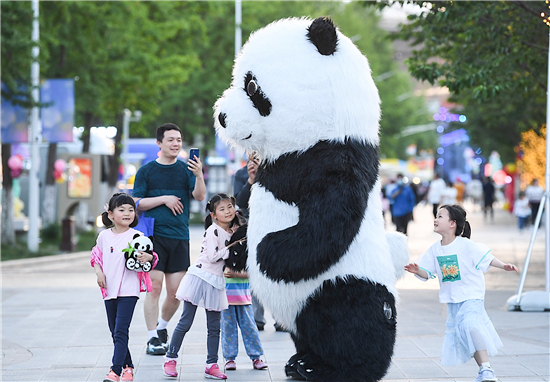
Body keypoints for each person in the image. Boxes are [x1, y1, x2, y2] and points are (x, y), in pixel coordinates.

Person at [404, 204, 518, 382]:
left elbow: (486, 257)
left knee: (470, 326)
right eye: (436, 216)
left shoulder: (466, 245)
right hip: (453, 300)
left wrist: (504, 265)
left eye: (440, 216)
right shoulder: (435, 249)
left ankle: (487, 368)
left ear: (452, 223)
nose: (435, 219)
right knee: (466, 333)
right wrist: (417, 270)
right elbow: (428, 272)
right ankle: (485, 370)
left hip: (472, 296)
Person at [132, 123, 206, 356]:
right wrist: (164, 198)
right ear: (159, 143)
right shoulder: (146, 171)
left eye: (179, 140)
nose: (175, 144)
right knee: (154, 288)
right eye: (171, 139)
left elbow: (199, 196)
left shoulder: (186, 170)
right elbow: (136, 203)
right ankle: (152, 337)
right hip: (152, 236)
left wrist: (199, 175)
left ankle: (162, 327)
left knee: (176, 293)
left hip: (179, 236)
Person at [162, 193, 243, 380]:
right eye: (222, 209)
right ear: (214, 215)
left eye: (229, 207)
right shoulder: (213, 230)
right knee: (185, 321)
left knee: (214, 327)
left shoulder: (233, 233)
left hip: (215, 282)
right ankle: (170, 359)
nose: (227, 211)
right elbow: (213, 256)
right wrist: (234, 246)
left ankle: (212, 365)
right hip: (199, 277)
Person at [91, 193, 158, 382]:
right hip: (108, 290)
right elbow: (96, 256)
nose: (127, 213)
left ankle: (115, 371)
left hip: (129, 290)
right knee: (115, 331)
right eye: (122, 210)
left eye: (130, 210)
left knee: (121, 330)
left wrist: (150, 257)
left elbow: (151, 257)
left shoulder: (138, 236)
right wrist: (99, 272)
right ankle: (128, 367)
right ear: (111, 214)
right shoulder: (104, 236)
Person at [232, 151, 286, 332]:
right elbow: (239, 202)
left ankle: (281, 318)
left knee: (277, 272)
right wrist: (251, 180)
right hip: (251, 226)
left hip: (275, 226)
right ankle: (257, 317)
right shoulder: (241, 174)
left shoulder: (278, 170)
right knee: (254, 270)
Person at [221, 267, 268, 372]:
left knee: (250, 328)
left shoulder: (244, 254)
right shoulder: (221, 254)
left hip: (244, 300)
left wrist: (236, 274)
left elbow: (253, 274)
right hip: (225, 301)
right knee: (228, 329)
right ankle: (229, 359)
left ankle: (256, 357)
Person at [233, 151, 260, 218]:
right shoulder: (241, 173)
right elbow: (240, 202)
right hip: (249, 216)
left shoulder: (272, 171)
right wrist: (250, 181)